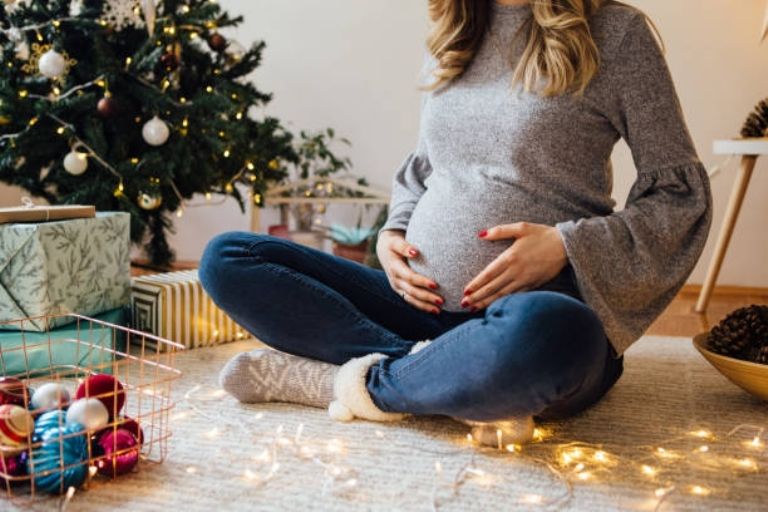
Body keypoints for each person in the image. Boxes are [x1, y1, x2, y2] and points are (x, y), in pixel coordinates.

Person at [199, 0, 712, 446]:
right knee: (229, 259)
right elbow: (427, 166)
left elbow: (678, 195)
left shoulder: (616, 34)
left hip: (529, 318)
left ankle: (354, 383)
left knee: (556, 335)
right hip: (413, 309)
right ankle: (436, 376)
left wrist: (565, 244)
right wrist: (391, 234)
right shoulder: (456, 35)